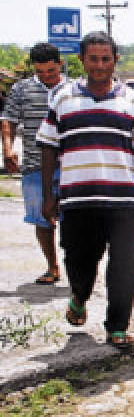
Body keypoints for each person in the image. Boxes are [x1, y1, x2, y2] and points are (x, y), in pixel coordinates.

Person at [36, 31, 134, 352]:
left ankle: (117, 326)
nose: (100, 65)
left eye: (106, 59)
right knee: (79, 261)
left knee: (123, 265)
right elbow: (49, 148)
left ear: (115, 60)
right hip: (76, 199)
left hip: (122, 201)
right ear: (82, 60)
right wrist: (49, 196)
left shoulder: (132, 100)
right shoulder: (62, 98)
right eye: (93, 59)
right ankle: (78, 296)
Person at [2, 42, 66, 285]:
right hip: (34, 164)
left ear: (60, 64)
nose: (46, 76)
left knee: (73, 221)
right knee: (41, 218)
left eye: (51, 71)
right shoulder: (21, 89)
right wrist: (7, 150)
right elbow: (8, 119)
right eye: (40, 72)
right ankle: (52, 266)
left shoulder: (73, 89)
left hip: (70, 166)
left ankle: (77, 267)